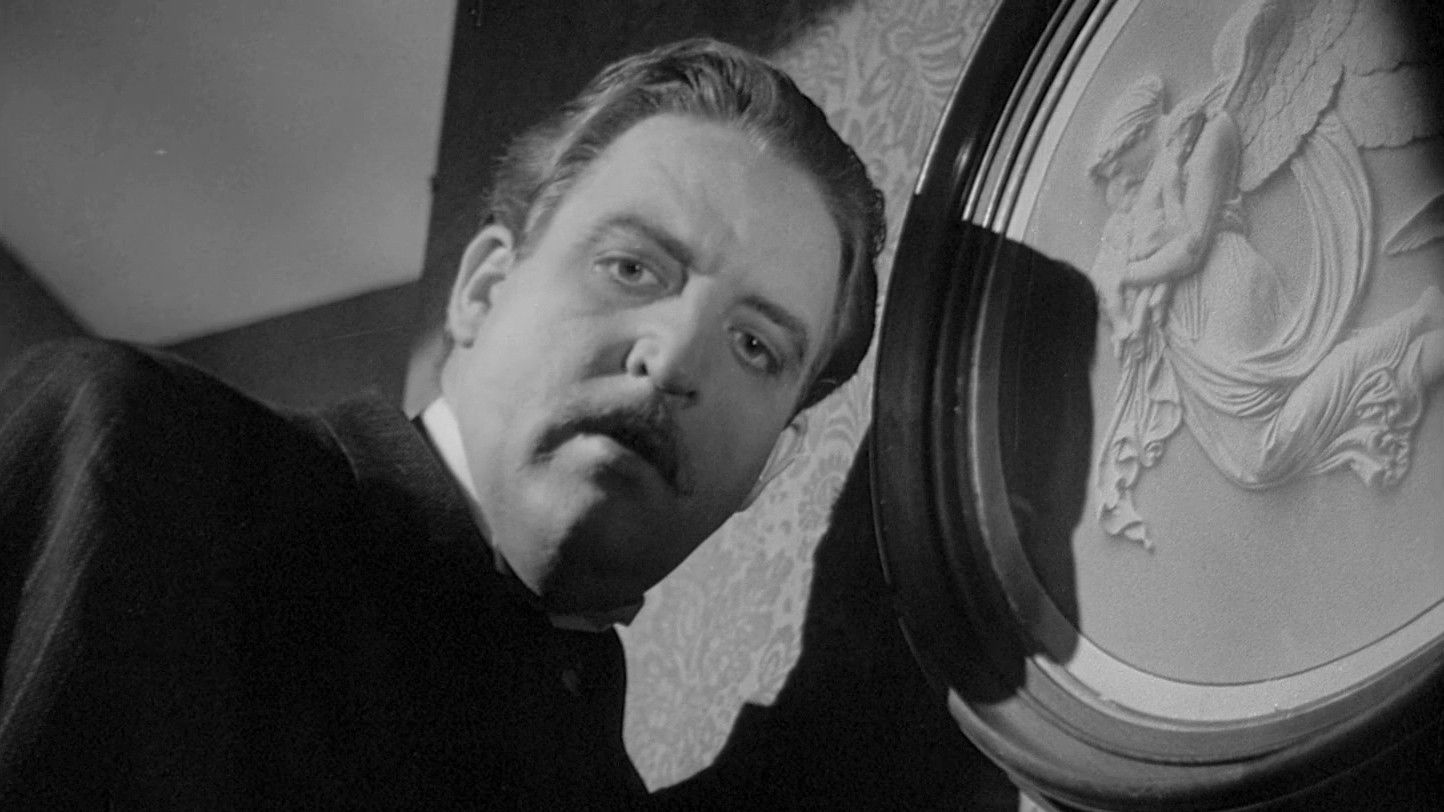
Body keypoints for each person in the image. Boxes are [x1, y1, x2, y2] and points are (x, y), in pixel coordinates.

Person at [0, 38, 884, 808]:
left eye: (755, 345)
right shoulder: (139, 453)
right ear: (484, 289)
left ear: (769, 469)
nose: (675, 357)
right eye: (632, 268)